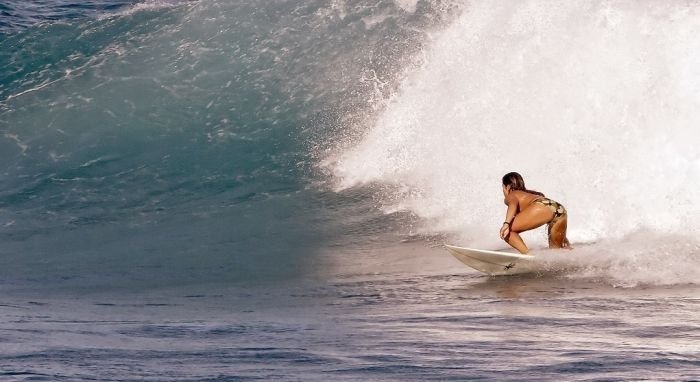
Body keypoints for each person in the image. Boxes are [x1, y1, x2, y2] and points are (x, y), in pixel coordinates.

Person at [499, 172, 570, 254]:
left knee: (507, 232)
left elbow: (512, 205)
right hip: (559, 209)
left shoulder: (512, 194)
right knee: (556, 252)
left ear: (507, 186)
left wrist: (506, 223)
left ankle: (528, 255)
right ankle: (576, 257)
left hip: (542, 205)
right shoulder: (529, 194)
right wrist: (563, 237)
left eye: (502, 187)